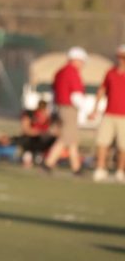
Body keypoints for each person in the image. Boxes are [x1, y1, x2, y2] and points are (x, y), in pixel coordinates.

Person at [44, 46, 87, 174]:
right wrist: (86, 111)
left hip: (60, 107)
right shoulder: (72, 72)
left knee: (72, 139)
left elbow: (53, 91)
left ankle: (76, 167)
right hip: (69, 108)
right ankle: (48, 163)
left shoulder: (60, 72)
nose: (82, 64)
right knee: (66, 138)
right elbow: (76, 94)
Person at [89, 44, 125, 182]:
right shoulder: (110, 72)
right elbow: (102, 90)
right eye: (120, 57)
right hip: (109, 114)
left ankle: (120, 171)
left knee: (123, 146)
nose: (121, 60)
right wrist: (95, 109)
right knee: (102, 142)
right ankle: (100, 169)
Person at [18, 100, 56, 168]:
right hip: (31, 139)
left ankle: (46, 159)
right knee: (28, 141)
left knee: (52, 140)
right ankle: (28, 157)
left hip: (42, 141)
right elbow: (26, 130)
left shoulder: (49, 118)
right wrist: (39, 132)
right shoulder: (30, 115)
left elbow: (53, 132)